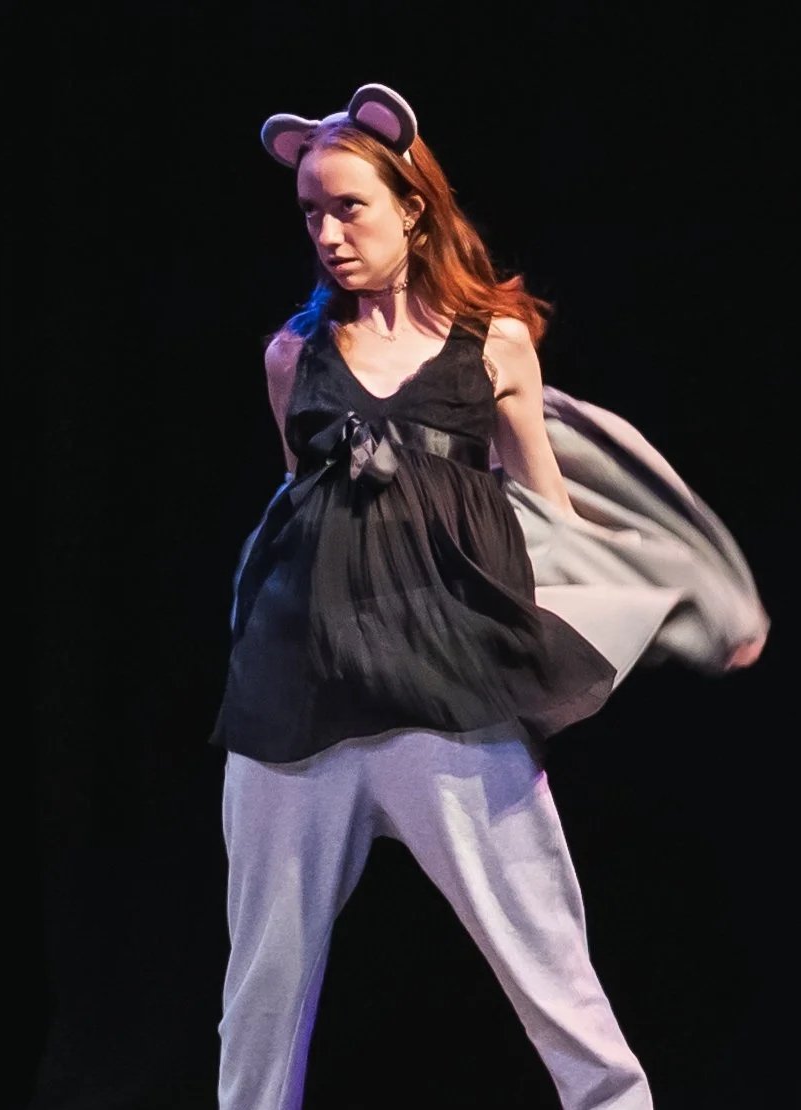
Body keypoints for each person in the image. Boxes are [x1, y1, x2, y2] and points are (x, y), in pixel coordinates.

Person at [208, 82, 769, 1110]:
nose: (327, 234)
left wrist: (690, 604)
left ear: (412, 207)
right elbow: (299, 511)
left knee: (553, 971)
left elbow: (552, 515)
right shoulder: (293, 356)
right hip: (298, 704)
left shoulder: (496, 344)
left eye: (349, 207)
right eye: (311, 212)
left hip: (450, 696)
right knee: (261, 997)